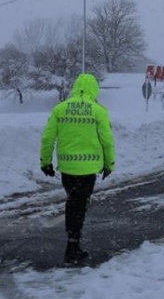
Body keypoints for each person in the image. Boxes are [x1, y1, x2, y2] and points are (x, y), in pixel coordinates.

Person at [40, 73, 115, 265]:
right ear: (94, 89)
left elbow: (48, 138)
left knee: (73, 202)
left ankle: (73, 243)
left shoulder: (60, 109)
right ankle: (72, 247)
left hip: (67, 168)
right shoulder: (99, 111)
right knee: (79, 205)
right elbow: (107, 141)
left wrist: (45, 162)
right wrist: (109, 164)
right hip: (88, 169)